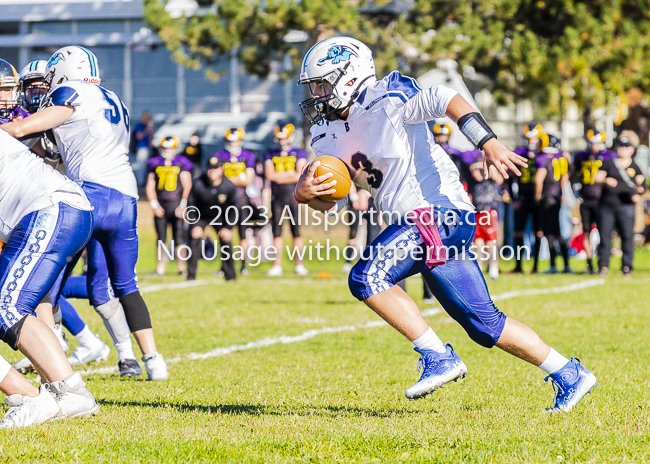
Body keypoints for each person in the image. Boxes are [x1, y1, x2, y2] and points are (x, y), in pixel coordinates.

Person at [294, 36, 597, 412]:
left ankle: (438, 356)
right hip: (422, 226)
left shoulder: (387, 95)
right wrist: (304, 194)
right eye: (313, 87)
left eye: (323, 85)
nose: (317, 95)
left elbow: (446, 98)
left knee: (366, 277)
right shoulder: (326, 132)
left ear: (351, 77)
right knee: (485, 324)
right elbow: (328, 200)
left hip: (439, 212)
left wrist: (487, 141)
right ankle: (568, 373)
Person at [2, 46, 169, 381]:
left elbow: (23, 131)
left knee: (46, 280)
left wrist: (14, 131)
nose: (46, 87)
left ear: (63, 72)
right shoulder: (112, 98)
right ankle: (151, 360)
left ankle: (56, 344)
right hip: (125, 198)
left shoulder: (70, 91)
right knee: (124, 284)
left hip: (90, 196)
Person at [0, 129, 99, 428]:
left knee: (7, 306)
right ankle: (42, 392)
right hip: (55, 210)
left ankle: (59, 392)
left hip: (49, 209)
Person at [595, 136, 646, 276]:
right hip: (607, 205)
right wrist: (605, 180)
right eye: (620, 146)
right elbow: (596, 178)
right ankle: (603, 266)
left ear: (631, 149)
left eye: (626, 147)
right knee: (605, 236)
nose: (623, 149)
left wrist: (638, 192)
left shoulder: (635, 166)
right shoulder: (609, 163)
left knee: (627, 236)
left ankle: (627, 267)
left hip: (626, 207)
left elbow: (642, 187)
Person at [264, 123, 309, 277]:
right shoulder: (270, 152)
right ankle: (276, 265)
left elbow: (299, 175)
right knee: (277, 232)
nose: (281, 141)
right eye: (279, 138)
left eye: (284, 138)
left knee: (296, 232)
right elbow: (269, 175)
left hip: (294, 196)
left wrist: (281, 176)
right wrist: (289, 175)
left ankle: (299, 265)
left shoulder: (299, 152)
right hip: (276, 197)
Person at [146, 136, 193, 276]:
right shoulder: (154, 162)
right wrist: (154, 204)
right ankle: (160, 269)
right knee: (161, 238)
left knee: (179, 237)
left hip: (177, 204)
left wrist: (183, 204)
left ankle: (181, 268)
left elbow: (187, 184)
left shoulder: (182, 162)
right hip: (161, 204)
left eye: (170, 148)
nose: (167, 150)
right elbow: (150, 184)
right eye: (165, 148)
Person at [187, 156, 238, 281]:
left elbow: (234, 210)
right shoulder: (198, 183)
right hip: (201, 216)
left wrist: (228, 228)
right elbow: (191, 206)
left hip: (220, 217)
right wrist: (194, 225)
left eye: (216, 168)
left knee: (226, 240)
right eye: (210, 168)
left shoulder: (228, 186)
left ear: (221, 170)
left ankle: (230, 275)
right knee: (194, 238)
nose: (212, 171)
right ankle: (191, 275)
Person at [214, 128, 257, 276]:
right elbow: (216, 179)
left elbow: (248, 180)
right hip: (223, 201)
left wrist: (227, 180)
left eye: (235, 141)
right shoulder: (219, 156)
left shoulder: (248, 155)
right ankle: (224, 265)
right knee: (224, 233)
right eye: (231, 141)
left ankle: (243, 265)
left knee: (243, 233)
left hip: (241, 200)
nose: (233, 144)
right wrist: (238, 179)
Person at [572, 130, 616, 274]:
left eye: (596, 143)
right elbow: (574, 174)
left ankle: (602, 264)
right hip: (586, 199)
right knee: (585, 232)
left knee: (604, 232)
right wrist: (574, 190)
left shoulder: (609, 157)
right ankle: (589, 263)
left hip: (602, 201)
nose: (594, 146)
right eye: (592, 142)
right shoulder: (581, 156)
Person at [534, 134, 572, 274]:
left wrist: (537, 196)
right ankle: (567, 264)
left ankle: (553, 265)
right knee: (558, 233)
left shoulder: (543, 159)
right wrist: (560, 193)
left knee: (549, 233)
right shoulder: (561, 159)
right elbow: (565, 177)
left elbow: (539, 179)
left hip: (547, 198)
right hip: (556, 198)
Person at [509, 123, 544, 274]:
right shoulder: (519, 153)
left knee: (538, 231)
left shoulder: (543, 155)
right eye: (529, 139)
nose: (531, 142)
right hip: (522, 197)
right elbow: (510, 177)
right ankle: (518, 266)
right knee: (518, 231)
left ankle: (535, 266)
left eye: (534, 139)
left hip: (539, 199)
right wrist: (513, 196)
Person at [468, 156, 503, 280]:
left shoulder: (492, 176)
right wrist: (477, 166)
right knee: (478, 243)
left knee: (491, 242)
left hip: (489, 212)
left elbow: (497, 177)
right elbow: (473, 171)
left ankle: (494, 269)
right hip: (476, 212)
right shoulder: (474, 177)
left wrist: (488, 164)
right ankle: (479, 269)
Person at [133, 110, 154, 185]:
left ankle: (146, 180)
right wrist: (147, 129)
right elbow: (139, 136)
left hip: (148, 148)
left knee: (147, 165)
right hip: (141, 147)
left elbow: (151, 139)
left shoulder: (149, 127)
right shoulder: (140, 126)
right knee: (141, 166)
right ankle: (140, 181)